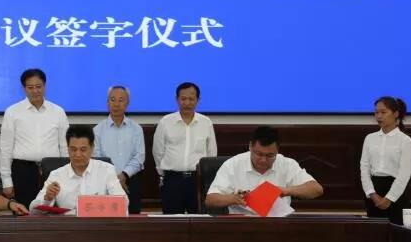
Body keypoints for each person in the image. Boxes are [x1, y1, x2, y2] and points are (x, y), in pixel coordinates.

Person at [206, 126, 323, 213]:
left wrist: (285, 191)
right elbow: (210, 200)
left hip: (278, 225)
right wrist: (233, 198)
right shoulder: (232, 165)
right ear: (250, 147)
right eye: (259, 154)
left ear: (277, 150)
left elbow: (316, 189)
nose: (263, 160)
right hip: (243, 225)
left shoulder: (287, 164)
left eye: (270, 156)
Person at [0, 68, 69, 208]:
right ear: (24, 88)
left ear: (45, 86)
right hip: (23, 171)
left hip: (52, 171)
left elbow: (65, 147)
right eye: (30, 87)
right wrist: (6, 181)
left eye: (38, 86)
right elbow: (6, 149)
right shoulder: (12, 112)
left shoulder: (58, 112)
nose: (35, 91)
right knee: (24, 212)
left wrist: (67, 175)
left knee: (52, 212)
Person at [29, 125, 127, 214]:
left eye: (83, 150)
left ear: (92, 148)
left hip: (98, 224)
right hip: (68, 225)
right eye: (73, 149)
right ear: (68, 149)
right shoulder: (56, 175)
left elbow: (123, 202)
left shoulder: (107, 170)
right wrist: (47, 198)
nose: (78, 154)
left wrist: (98, 204)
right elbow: (33, 210)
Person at [152, 82, 217, 213]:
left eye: (191, 99)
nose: (187, 103)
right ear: (177, 99)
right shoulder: (165, 122)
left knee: (199, 220)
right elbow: (158, 152)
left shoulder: (206, 123)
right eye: (183, 99)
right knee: (172, 222)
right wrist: (163, 174)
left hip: (197, 181)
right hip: (172, 180)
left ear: (198, 100)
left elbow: (211, 153)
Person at [360, 96, 411, 225]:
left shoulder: (405, 140)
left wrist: (389, 198)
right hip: (374, 193)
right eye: (376, 112)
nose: (379, 116)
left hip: (396, 193)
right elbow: (364, 168)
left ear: (396, 114)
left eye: (383, 112)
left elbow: (404, 175)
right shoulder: (370, 138)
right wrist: (372, 194)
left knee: (397, 233)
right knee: (375, 233)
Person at [92, 86, 145, 214]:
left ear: (127, 103)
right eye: (112, 99)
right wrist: (114, 179)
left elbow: (139, 157)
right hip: (104, 182)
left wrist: (124, 175)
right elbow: (97, 158)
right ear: (107, 103)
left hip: (131, 181)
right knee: (107, 218)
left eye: (121, 100)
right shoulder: (97, 130)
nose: (116, 104)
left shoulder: (136, 129)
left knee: (132, 219)